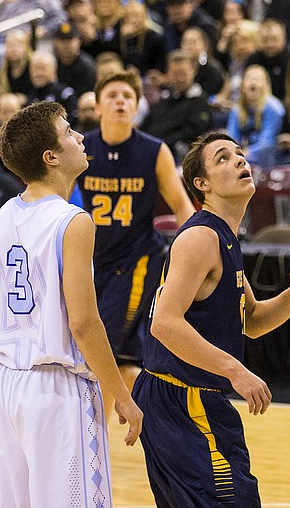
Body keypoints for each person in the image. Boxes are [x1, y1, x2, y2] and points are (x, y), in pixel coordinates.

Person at [133, 131, 290, 508]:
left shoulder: (225, 236)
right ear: (201, 185)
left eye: (239, 153)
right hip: (181, 400)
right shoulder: (201, 236)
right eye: (223, 158)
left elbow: (251, 320)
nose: (239, 160)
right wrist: (235, 370)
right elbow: (165, 324)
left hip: (193, 400)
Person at [0, 100, 143, 508]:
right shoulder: (73, 221)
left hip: (5, 388)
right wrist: (120, 394)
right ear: (50, 158)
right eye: (68, 132)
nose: (81, 137)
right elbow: (84, 325)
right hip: (57, 389)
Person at [78, 70, 195, 379]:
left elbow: (182, 205)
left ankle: (93, 425)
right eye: (112, 96)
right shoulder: (80, 149)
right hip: (95, 261)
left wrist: (193, 252)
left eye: (127, 96)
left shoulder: (154, 151)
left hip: (137, 260)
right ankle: (144, 421)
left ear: (137, 106)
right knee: (125, 360)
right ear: (98, 106)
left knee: (97, 347)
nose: (120, 101)